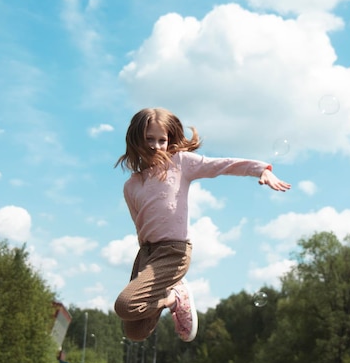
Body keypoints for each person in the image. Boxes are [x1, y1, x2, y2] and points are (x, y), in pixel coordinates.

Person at [114, 107, 291, 345]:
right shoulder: (131, 186)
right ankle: (170, 295)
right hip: (147, 254)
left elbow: (222, 165)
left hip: (173, 252)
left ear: (170, 141)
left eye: (162, 140)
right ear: (136, 139)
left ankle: (175, 297)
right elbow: (140, 226)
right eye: (149, 139)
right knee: (134, 331)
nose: (156, 146)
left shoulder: (180, 164)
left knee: (125, 305)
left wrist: (260, 169)